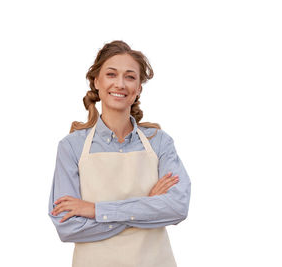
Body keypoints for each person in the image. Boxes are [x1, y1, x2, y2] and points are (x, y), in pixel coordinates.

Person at [48, 40, 191, 267]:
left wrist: (95, 210)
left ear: (139, 88)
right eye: (111, 74)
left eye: (130, 76)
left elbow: (177, 208)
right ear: (97, 81)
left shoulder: (160, 142)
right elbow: (68, 227)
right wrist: (148, 206)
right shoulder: (71, 146)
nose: (120, 84)